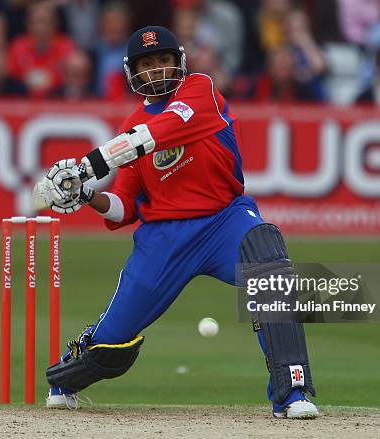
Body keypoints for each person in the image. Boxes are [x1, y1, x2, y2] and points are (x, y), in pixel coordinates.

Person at [34, 25, 319, 419]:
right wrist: (87, 195)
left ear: (180, 63)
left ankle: (292, 392)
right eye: (146, 64)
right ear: (133, 72)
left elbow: (159, 131)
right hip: (163, 239)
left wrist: (87, 167)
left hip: (225, 220)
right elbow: (124, 209)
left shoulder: (200, 90)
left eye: (163, 61)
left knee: (269, 264)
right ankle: (64, 379)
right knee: (111, 340)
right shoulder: (131, 126)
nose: (157, 71)